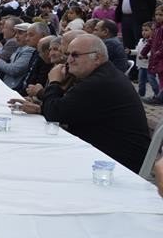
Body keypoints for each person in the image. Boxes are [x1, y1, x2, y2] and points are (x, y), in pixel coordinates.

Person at [41, 34, 150, 172]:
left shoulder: (99, 82)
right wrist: (42, 107)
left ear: (97, 58)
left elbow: (54, 114)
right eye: (68, 54)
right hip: (105, 151)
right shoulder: (103, 74)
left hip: (114, 164)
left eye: (75, 55)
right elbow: (66, 108)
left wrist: (54, 82)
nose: (68, 60)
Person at [137, 21, 160, 99]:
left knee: (152, 81)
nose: (143, 32)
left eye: (146, 30)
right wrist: (130, 51)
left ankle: (158, 95)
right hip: (141, 65)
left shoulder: (154, 42)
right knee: (141, 82)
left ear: (153, 31)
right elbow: (138, 51)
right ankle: (141, 95)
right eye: (142, 30)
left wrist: (145, 56)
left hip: (149, 66)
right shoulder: (141, 41)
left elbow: (153, 53)